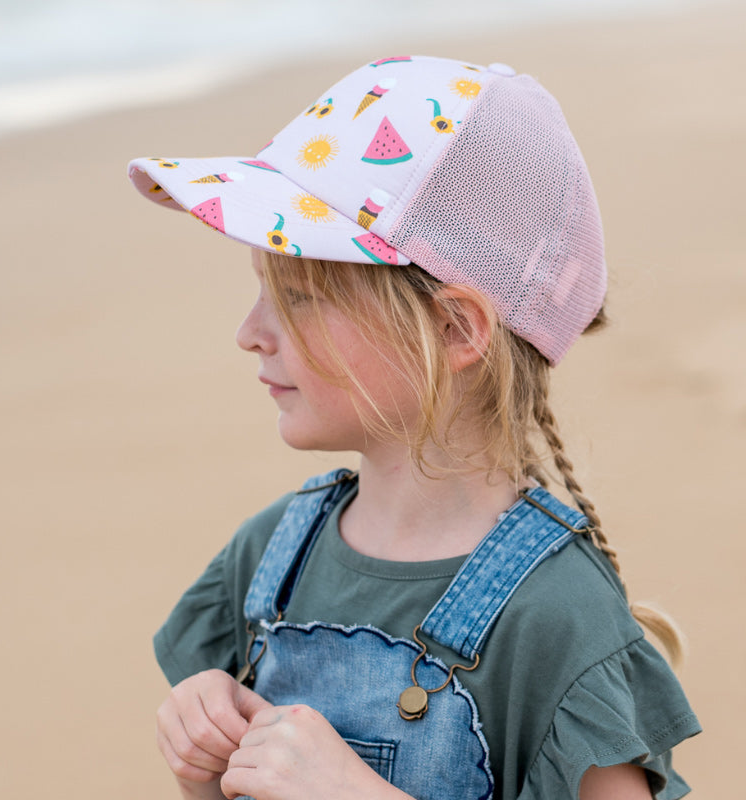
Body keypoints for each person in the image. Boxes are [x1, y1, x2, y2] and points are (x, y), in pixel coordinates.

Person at [128, 56, 700, 800]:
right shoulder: (271, 556)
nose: (251, 332)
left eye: (298, 296)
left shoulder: (556, 619)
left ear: (456, 329)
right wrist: (205, 766)